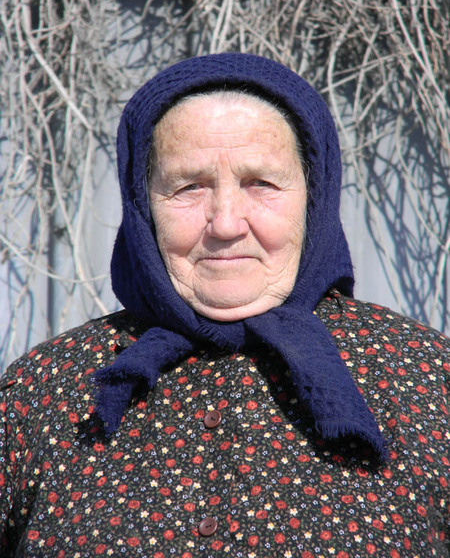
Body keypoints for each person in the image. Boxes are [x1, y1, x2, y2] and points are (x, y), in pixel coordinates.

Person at [0, 53, 448, 558]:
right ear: (143, 205)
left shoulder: (428, 379)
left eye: (261, 184)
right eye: (189, 187)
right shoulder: (43, 392)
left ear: (314, 197)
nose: (227, 224)